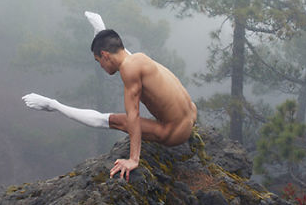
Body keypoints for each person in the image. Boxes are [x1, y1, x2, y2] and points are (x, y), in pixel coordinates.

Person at [22, 13, 197, 181]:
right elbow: (121, 52)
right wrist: (101, 30)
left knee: (113, 120)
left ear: (105, 55)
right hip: (191, 116)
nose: (101, 67)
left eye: (99, 61)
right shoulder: (138, 59)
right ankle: (101, 30)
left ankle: (54, 105)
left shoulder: (129, 69)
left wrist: (133, 159)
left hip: (174, 134)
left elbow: (132, 116)